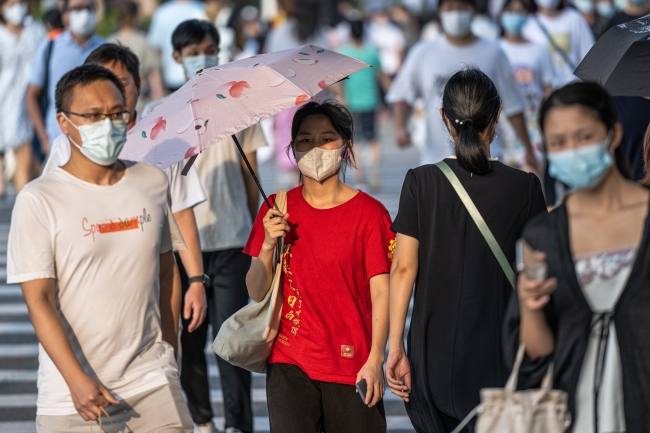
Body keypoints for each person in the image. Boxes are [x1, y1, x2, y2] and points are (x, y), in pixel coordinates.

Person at [7, 64, 193, 432]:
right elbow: (39, 300)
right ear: (64, 122)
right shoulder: (38, 199)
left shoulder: (151, 181)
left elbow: (167, 270)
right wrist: (76, 379)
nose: (106, 124)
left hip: (151, 380)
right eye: (92, 116)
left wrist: (169, 353)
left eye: (115, 114)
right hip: (71, 395)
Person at [386, 68, 547, 432]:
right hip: (500, 354)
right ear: (498, 116)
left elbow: (403, 269)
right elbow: (539, 270)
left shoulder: (420, 182)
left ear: (444, 118)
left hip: (432, 358)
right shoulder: (525, 188)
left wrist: (395, 347)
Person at [505, 82, 649, 433]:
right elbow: (536, 354)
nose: (572, 151)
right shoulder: (543, 235)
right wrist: (529, 306)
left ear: (613, 134)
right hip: (573, 415)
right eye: (558, 143)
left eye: (584, 137)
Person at [144, 19, 265, 433]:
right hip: (180, 245)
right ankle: (203, 421)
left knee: (234, 342)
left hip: (232, 236)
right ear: (176, 57)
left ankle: (238, 424)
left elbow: (252, 177)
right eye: (193, 51)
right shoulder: (160, 114)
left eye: (209, 47)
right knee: (188, 341)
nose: (203, 56)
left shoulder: (239, 104)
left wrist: (255, 230)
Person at [244, 100, 394, 433]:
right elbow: (256, 291)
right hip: (289, 361)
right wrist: (269, 243)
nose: (315, 148)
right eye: (304, 140)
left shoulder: (371, 214)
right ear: (292, 148)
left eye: (327, 138)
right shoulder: (276, 209)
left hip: (353, 364)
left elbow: (383, 291)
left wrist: (376, 358)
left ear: (346, 146)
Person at [43, 42, 209, 339]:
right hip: (87, 288)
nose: (109, 96)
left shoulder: (163, 143)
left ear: (137, 85)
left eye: (118, 84)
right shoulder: (65, 147)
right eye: (99, 85)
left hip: (148, 288)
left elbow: (181, 213)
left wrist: (195, 280)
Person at [387, 0, 539, 172]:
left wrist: (528, 148)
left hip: (486, 160)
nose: (456, 14)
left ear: (473, 11)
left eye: (462, 7)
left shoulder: (493, 53)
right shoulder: (423, 52)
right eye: (450, 8)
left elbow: (513, 105)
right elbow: (402, 94)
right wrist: (400, 128)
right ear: (440, 12)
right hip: (437, 162)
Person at [25, 0, 104, 157]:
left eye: (88, 8)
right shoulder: (50, 47)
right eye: (78, 8)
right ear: (66, 16)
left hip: (98, 143)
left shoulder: (105, 48)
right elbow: (32, 95)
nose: (84, 13)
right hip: (57, 142)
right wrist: (43, 137)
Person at [498, 0, 554, 169]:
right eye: (511, 11)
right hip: (502, 121)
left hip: (533, 121)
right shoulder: (495, 48)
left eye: (520, 11)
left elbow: (548, 87)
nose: (515, 16)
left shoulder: (539, 49)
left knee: (533, 173)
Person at [0, 0, 45, 195]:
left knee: (28, 159)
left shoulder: (35, 31)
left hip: (31, 99)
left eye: (19, 2)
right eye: (10, 3)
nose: (16, 7)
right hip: (4, 100)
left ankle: (22, 202)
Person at [338, 19, 389, 191]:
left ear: (350, 34)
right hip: (371, 101)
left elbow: (339, 82)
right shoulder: (372, 52)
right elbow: (382, 76)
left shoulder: (344, 53)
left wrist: (340, 97)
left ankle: (360, 179)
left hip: (352, 103)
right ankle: (375, 171)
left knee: (356, 141)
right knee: (373, 138)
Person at [521, 0, 594, 86]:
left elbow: (589, 55)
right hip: (545, 90)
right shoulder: (529, 24)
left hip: (573, 88)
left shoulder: (574, 18)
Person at [110, 1, 164, 112]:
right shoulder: (144, 41)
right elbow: (155, 78)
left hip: (115, 105)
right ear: (136, 16)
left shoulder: (110, 42)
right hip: (140, 104)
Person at [147, 0, 206, 91]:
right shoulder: (201, 8)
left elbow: (156, 49)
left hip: (172, 76)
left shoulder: (162, 12)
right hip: (200, 74)